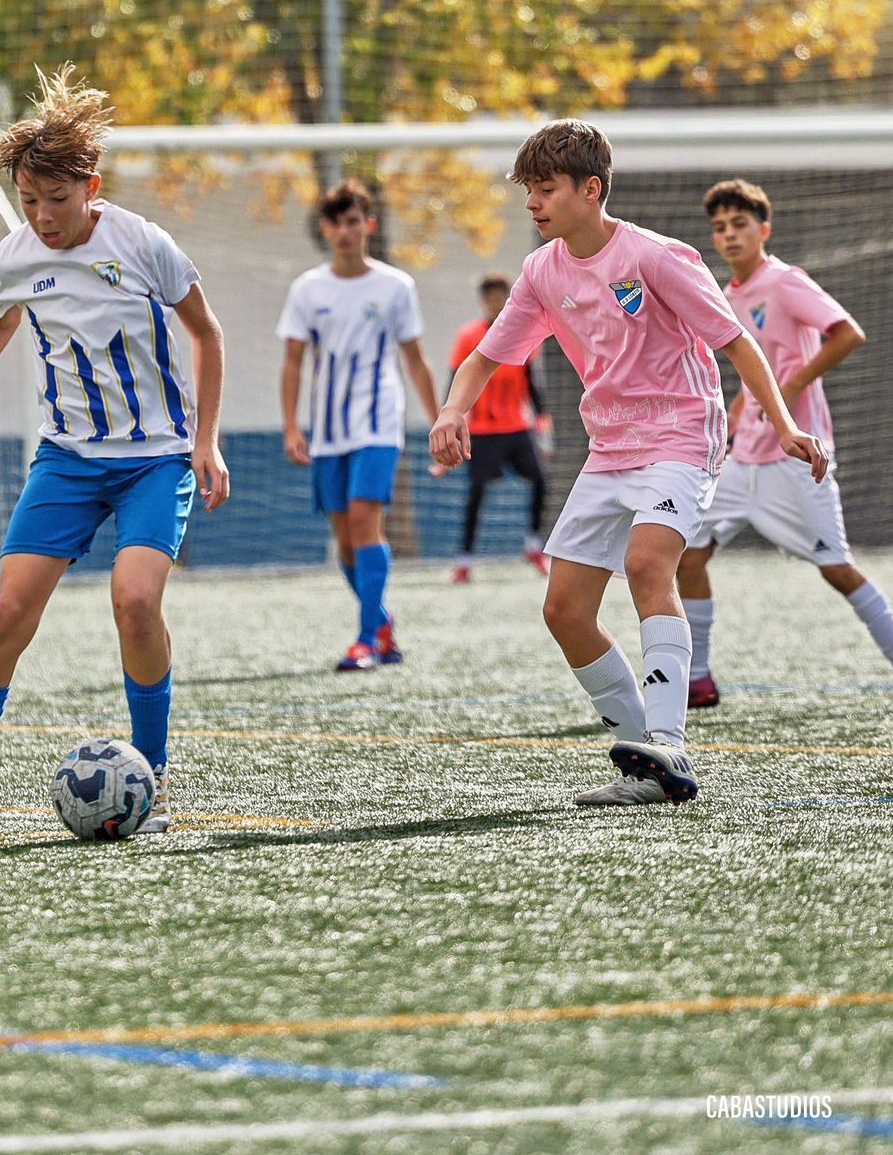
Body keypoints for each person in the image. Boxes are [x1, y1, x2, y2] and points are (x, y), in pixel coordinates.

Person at [0, 65, 229, 844]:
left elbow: (206, 332)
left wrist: (205, 440)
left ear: (90, 187)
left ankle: (153, 780)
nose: (41, 216)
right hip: (66, 461)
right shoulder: (14, 258)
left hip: (156, 459)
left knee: (135, 601)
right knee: (7, 613)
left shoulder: (144, 244)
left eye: (56, 199)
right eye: (29, 200)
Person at [432, 120, 826, 808]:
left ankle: (669, 742)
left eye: (546, 188)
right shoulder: (541, 271)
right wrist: (451, 411)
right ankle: (646, 765)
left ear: (591, 189)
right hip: (609, 448)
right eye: (528, 190)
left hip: (681, 434)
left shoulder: (657, 257)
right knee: (564, 609)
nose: (532, 202)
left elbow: (738, 344)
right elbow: (486, 356)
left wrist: (786, 424)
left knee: (647, 564)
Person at [679, 179, 893, 707]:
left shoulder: (785, 282)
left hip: (796, 457)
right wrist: (733, 416)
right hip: (742, 460)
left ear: (764, 230)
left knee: (837, 569)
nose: (729, 235)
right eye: (720, 228)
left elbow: (848, 333)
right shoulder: (728, 295)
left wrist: (792, 386)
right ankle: (698, 680)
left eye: (740, 224)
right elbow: (751, 370)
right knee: (687, 553)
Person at [278, 180, 440, 671]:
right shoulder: (307, 289)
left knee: (366, 523)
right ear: (325, 229)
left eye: (354, 221)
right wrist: (291, 427)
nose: (346, 231)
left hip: (378, 425)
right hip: (328, 431)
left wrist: (440, 421)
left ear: (368, 225)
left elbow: (415, 360)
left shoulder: (395, 286)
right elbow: (292, 361)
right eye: (337, 223)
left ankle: (366, 639)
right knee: (345, 539)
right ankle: (381, 622)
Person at [446, 273, 552, 583]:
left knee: (540, 480)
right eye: (490, 297)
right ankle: (464, 560)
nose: (496, 302)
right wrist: (450, 418)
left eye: (501, 296)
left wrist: (541, 417)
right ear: (483, 301)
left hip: (516, 428)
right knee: (476, 492)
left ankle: (533, 546)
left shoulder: (522, 333)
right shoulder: (468, 336)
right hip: (482, 431)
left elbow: (531, 380)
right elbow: (456, 380)